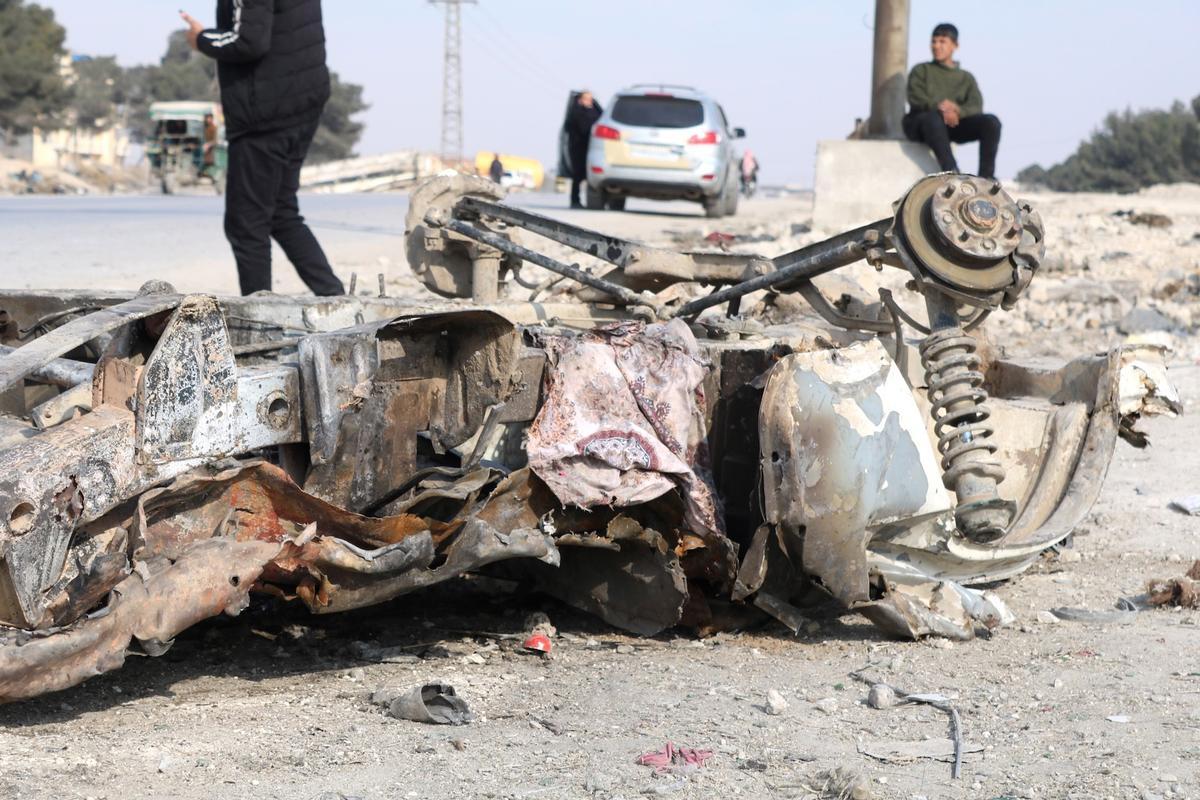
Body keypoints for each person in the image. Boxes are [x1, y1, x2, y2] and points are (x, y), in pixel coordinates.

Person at [181, 1, 344, 296]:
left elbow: (249, 41)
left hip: (266, 114)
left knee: (246, 224)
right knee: (281, 211)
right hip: (301, 104)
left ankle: (261, 326)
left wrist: (201, 39)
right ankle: (338, 301)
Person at [902, 23, 1002, 179]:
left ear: (955, 45)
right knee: (933, 118)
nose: (936, 46)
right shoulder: (921, 70)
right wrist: (942, 109)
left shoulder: (966, 78)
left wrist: (959, 111)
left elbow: (976, 105)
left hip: (952, 125)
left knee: (991, 122)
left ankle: (986, 178)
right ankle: (952, 172)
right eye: (934, 41)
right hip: (921, 124)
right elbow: (915, 97)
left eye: (942, 41)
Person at [564, 90, 602, 209]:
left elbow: (601, 117)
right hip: (578, 148)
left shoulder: (595, 111)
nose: (588, 101)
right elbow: (581, 126)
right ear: (580, 100)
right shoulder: (576, 112)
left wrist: (593, 105)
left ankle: (595, 201)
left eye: (590, 99)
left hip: (593, 148)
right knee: (578, 175)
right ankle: (575, 200)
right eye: (586, 99)